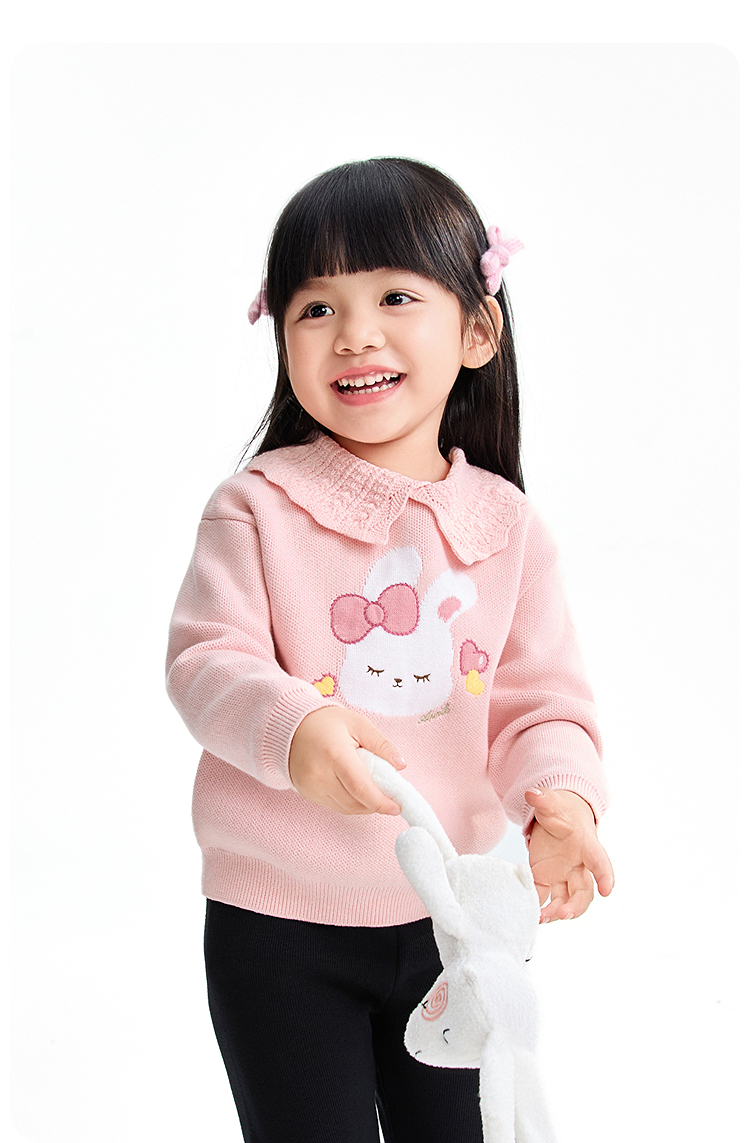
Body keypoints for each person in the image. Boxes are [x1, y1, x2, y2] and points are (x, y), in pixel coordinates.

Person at [165, 157, 615, 1143]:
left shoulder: (507, 526)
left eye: (395, 297)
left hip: (460, 916)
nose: (356, 332)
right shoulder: (257, 508)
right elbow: (205, 662)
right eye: (316, 308)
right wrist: (297, 728)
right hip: (279, 926)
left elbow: (544, 703)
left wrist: (562, 799)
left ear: (478, 330)